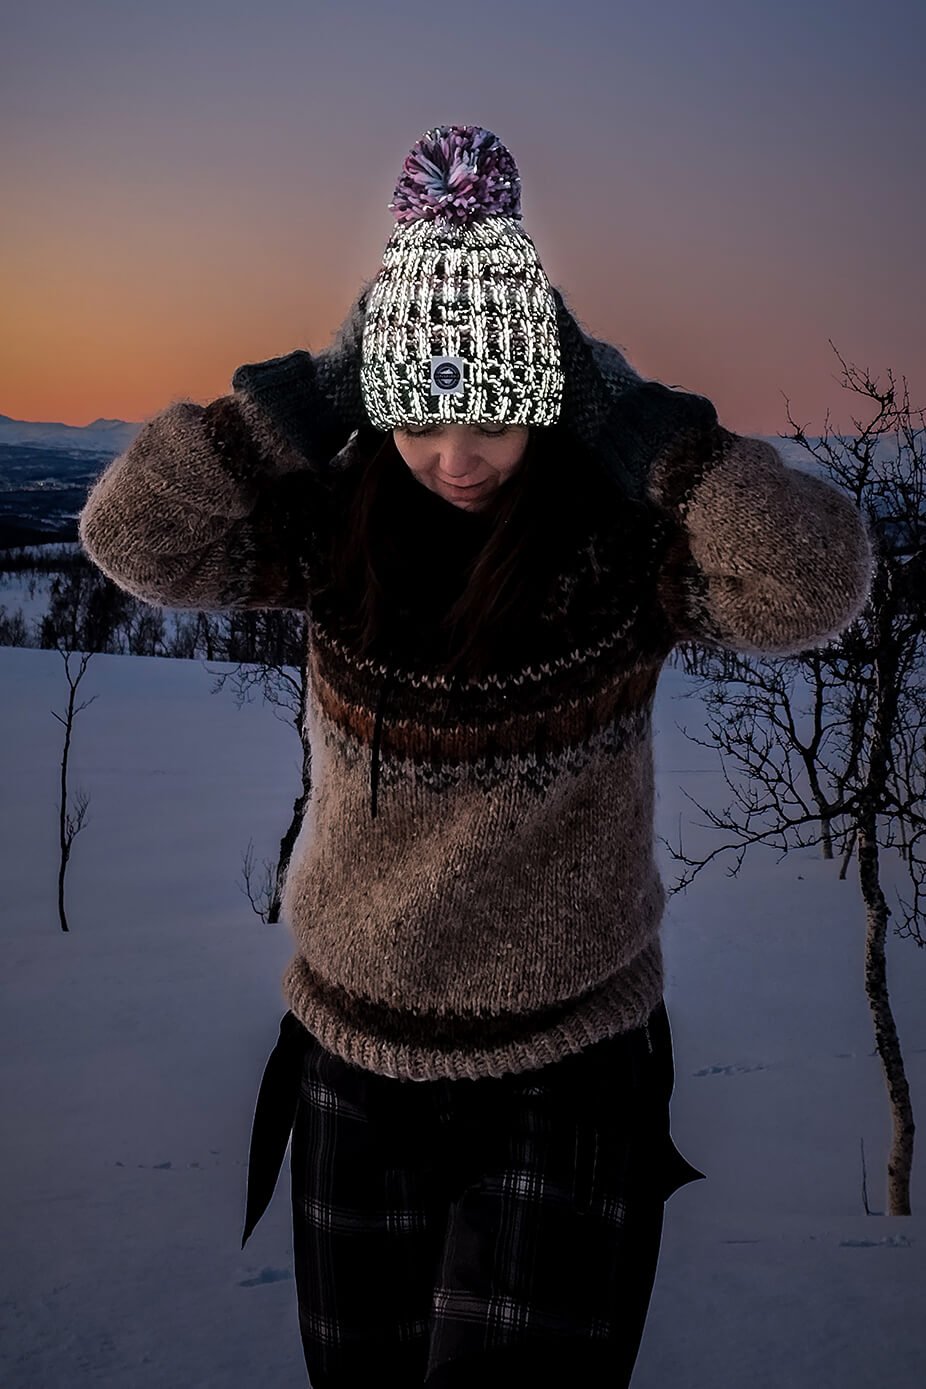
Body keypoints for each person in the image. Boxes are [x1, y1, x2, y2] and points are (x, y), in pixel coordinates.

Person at [78, 124, 875, 1388]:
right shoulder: (337, 534)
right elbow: (134, 538)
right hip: (350, 1063)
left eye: (496, 413)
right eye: (420, 412)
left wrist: (631, 422)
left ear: (547, 404)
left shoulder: (613, 551)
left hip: (565, 1073)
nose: (456, 455)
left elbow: (813, 579)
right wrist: (310, 393)